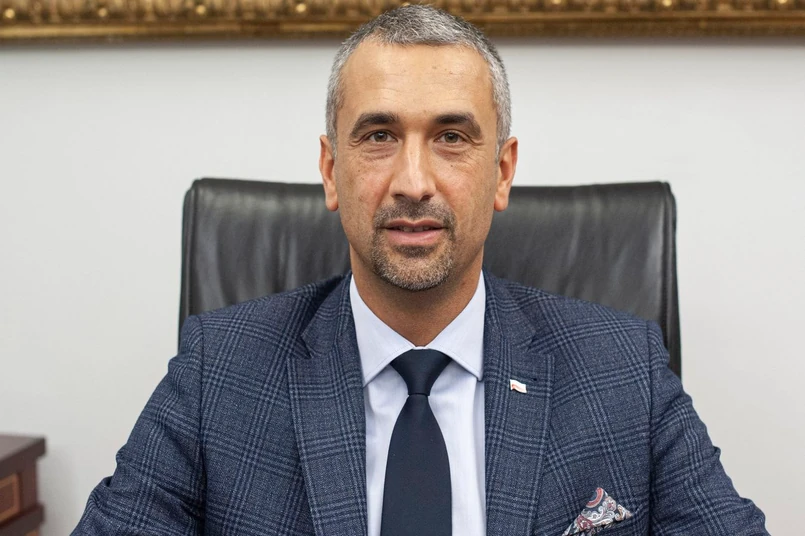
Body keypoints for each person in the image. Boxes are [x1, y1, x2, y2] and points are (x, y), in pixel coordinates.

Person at [73, 5, 768, 535]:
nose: (413, 182)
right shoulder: (219, 372)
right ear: (330, 171)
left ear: (502, 172)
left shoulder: (622, 370)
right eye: (379, 136)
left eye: (451, 137)